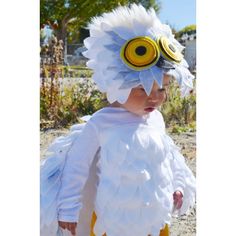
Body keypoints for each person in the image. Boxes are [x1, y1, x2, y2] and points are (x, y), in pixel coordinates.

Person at [40, 4, 196, 236]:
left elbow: (167, 157)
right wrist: (68, 210)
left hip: (155, 219)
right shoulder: (101, 123)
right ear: (116, 84)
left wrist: (178, 185)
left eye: (162, 88)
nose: (155, 97)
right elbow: (76, 169)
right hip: (112, 222)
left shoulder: (156, 120)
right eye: (142, 89)